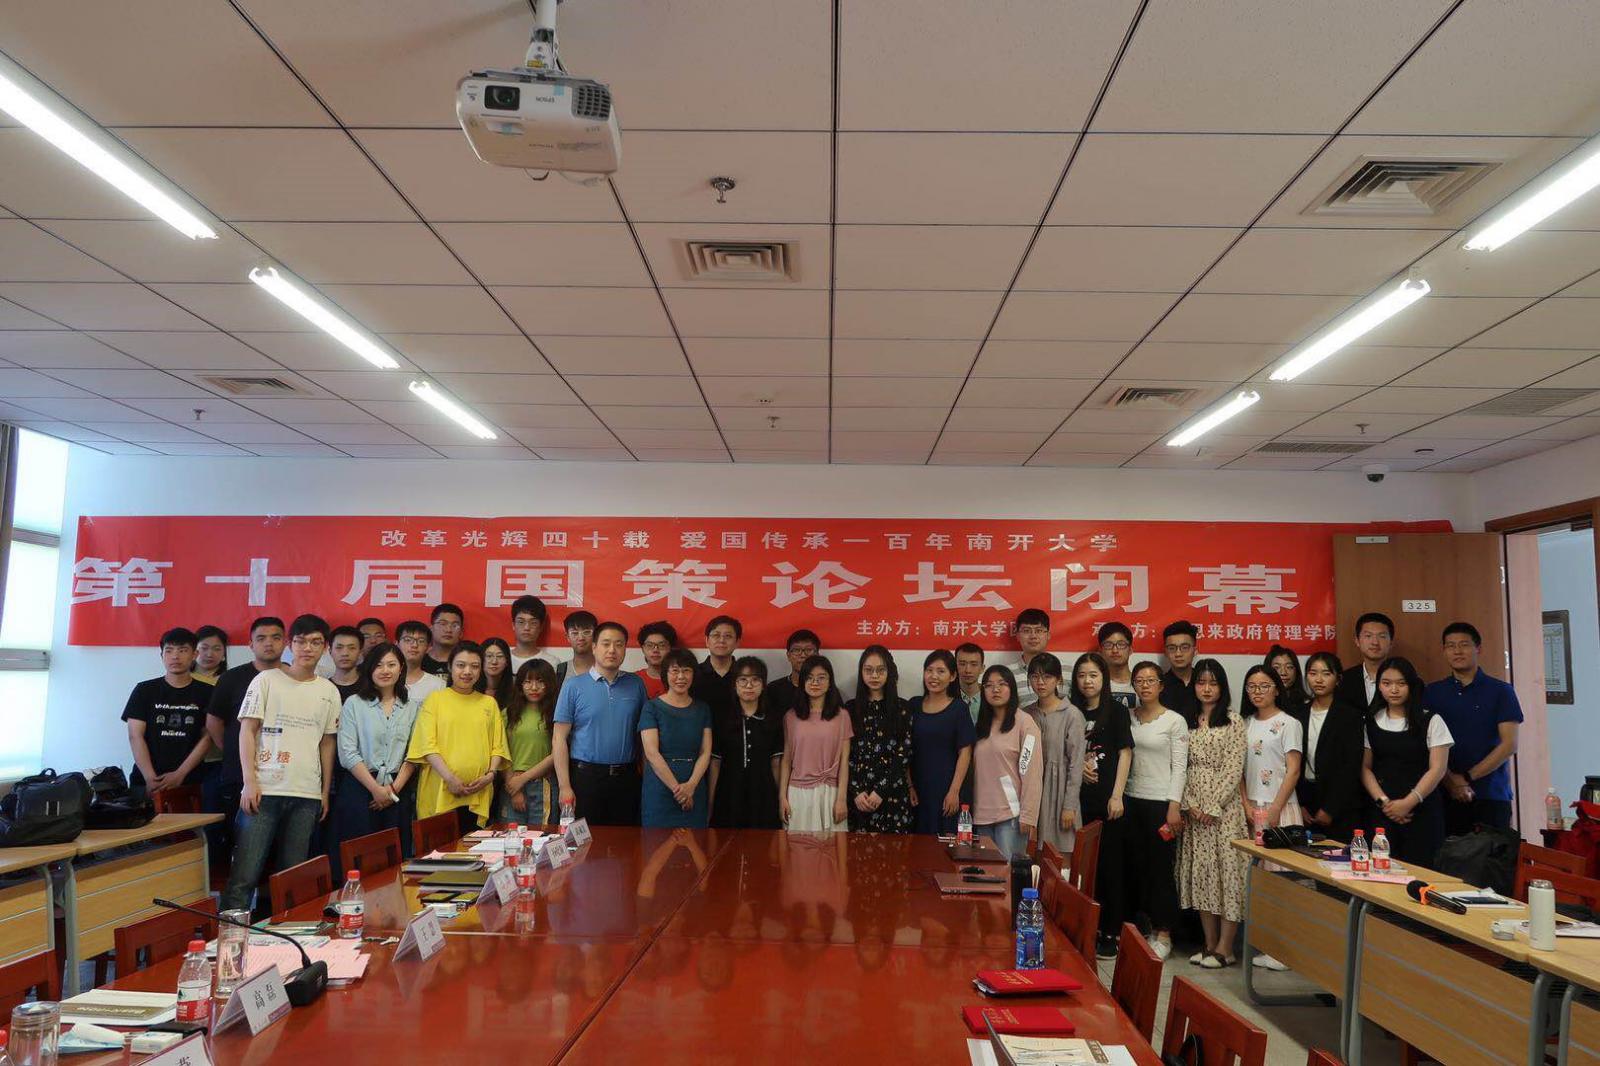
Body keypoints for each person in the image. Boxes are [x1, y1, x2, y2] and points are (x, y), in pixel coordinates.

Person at [220, 614, 341, 912]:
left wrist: (324, 791)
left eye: (315, 642)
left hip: (306, 795)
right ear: (290, 644)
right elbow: (247, 731)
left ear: (325, 647)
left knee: (292, 878)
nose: (307, 648)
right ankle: (229, 938)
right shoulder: (266, 680)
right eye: (301, 641)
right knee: (244, 875)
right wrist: (249, 782)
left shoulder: (328, 690)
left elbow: (327, 742)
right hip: (264, 790)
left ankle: (286, 936)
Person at [1113, 661, 1188, 961]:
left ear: (1161, 685)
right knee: (1135, 868)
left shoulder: (1174, 721)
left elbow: (1180, 767)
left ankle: (1164, 933)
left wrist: (1174, 805)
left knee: (1160, 870)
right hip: (1131, 800)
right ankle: (1143, 928)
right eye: (1139, 681)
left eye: (1150, 680)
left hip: (1161, 803)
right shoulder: (1127, 717)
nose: (1145, 685)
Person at [1176, 658, 1247, 969]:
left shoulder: (1233, 721)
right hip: (1193, 812)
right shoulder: (1187, 721)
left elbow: (1234, 768)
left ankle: (1226, 948)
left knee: (1227, 876)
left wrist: (1211, 805)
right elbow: (1180, 765)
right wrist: (1189, 803)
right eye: (1201, 682)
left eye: (1213, 683)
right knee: (1203, 876)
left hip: (1223, 813)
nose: (1206, 688)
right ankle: (1209, 944)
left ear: (1222, 687)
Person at [1426, 621, 1523, 834]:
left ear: (1478, 648)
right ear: (1444, 651)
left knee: (1492, 854)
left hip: (1490, 794)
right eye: (1450, 646)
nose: (1457, 651)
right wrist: (1451, 781)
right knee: (1445, 854)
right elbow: (1424, 743)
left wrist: (1467, 778)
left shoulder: (1501, 691)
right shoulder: (1432, 693)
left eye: (1464, 645)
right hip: (1442, 792)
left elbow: (1509, 744)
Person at [205, 616, 286, 864]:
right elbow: (214, 722)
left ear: (285, 642)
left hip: (283, 775)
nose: (268, 643)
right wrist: (235, 750)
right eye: (261, 638)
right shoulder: (232, 678)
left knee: (280, 847)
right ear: (250, 644)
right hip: (239, 775)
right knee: (243, 847)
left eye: (275, 638)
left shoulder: (294, 677)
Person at [552, 621, 648, 826]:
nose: (612, 650)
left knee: (626, 841)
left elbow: (644, 737)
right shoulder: (573, 686)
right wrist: (564, 786)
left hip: (626, 778)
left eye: (619, 644)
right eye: (606, 644)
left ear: (625, 649)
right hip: (585, 778)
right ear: (594, 647)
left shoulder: (636, 684)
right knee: (584, 842)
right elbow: (559, 738)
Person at [407, 641, 508, 833]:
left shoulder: (489, 703)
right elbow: (427, 746)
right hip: (440, 790)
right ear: (449, 667)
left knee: (474, 849)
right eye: (461, 665)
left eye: (474, 666)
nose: (467, 671)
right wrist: (450, 778)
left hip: (478, 794)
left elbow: (498, 746)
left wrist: (490, 775)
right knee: (439, 849)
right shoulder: (435, 700)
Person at [332, 643, 419, 861]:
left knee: (395, 859)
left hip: (397, 790)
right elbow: (347, 753)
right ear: (369, 669)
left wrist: (392, 790)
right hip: (360, 788)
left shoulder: (412, 707)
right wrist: (375, 789)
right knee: (360, 859)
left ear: (401, 668)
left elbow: (414, 753)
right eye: (378, 665)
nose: (385, 670)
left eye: (391, 665)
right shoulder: (354, 703)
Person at [1362, 656, 1453, 867]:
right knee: (1381, 873)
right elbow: (1365, 768)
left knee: (1423, 872)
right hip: (1382, 812)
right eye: (1387, 683)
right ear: (1379, 687)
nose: (1394, 690)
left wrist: (1408, 803)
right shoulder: (1370, 721)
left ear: (1411, 685)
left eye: (1401, 683)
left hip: (1422, 811)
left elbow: (1438, 769)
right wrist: (1385, 804)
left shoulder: (1431, 720)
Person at [1071, 651, 1133, 958]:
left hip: (1109, 802)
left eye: (1093, 675)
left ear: (1103, 678)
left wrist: (1117, 795)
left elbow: (1125, 753)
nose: (1087, 681)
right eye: (1082, 675)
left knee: (1110, 868)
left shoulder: (1117, 711)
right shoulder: (1071, 711)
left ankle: (1110, 932)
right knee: (1083, 869)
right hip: (1077, 802)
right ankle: (1086, 928)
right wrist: (1078, 767)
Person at [122, 626, 212, 792]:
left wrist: (180, 774)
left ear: (195, 654)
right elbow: (135, 736)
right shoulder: (144, 690)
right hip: (145, 780)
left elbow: (208, 736)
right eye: (169, 651)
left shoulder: (208, 692)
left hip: (190, 779)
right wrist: (150, 778)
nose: (175, 656)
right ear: (161, 655)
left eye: (182, 650)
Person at [971, 665, 1043, 859]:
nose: (995, 689)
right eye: (989, 685)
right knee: (986, 872)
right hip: (981, 814)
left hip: (1011, 816)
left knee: (1007, 873)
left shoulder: (1025, 723)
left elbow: (1032, 773)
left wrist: (1028, 816)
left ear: (1012, 687)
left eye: (1002, 684)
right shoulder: (981, 725)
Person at [639, 648, 713, 828]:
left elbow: (705, 752)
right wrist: (678, 790)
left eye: (686, 670)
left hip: (694, 785)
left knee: (695, 841)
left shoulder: (702, 709)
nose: (681, 676)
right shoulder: (651, 707)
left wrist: (691, 786)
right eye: (675, 671)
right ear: (666, 674)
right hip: (660, 787)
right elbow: (651, 753)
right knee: (656, 841)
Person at [778, 654, 853, 832]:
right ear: (802, 682)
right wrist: (782, 798)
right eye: (810, 678)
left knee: (832, 847)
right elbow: (786, 760)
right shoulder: (791, 716)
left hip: (831, 793)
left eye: (821, 678)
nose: (815, 683)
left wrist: (841, 799)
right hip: (798, 793)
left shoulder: (842, 716)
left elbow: (844, 761)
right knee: (798, 846)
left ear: (830, 682)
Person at [1297, 652, 1365, 844]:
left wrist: (1330, 808)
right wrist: (1299, 804)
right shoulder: (1298, 714)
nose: (1319, 679)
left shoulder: (1350, 716)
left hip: (1340, 804)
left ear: (1338, 679)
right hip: (1305, 800)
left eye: (1326, 674)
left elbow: (1351, 765)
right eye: (1313, 673)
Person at [709, 656, 783, 829]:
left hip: (764, 793)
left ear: (763, 685)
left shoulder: (772, 718)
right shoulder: (722, 718)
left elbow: (776, 763)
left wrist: (780, 798)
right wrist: (710, 802)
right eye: (743, 680)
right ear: (734, 685)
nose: (749, 686)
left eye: (755, 680)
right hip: (729, 792)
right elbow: (715, 764)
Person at [846, 645, 914, 834]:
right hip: (858, 799)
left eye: (880, 670)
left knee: (895, 851)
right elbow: (844, 755)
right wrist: (856, 791)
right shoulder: (850, 709)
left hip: (892, 796)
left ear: (889, 672)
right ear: (861, 673)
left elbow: (904, 754)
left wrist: (880, 791)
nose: (874, 675)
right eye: (868, 670)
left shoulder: (903, 708)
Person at [909, 649, 976, 836]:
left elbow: (965, 753)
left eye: (941, 671)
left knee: (948, 845)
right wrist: (909, 785)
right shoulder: (913, 705)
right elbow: (904, 749)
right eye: (929, 670)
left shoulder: (959, 709)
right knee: (920, 846)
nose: (934, 676)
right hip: (919, 790)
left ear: (952, 676)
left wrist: (954, 791)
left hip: (948, 789)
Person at [1024, 653, 1083, 855]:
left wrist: (1070, 806)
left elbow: (1076, 764)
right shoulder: (1026, 714)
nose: (1040, 682)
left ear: (1059, 679)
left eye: (1047, 677)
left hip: (1059, 793)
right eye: (1035, 676)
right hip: (1032, 793)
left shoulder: (1072, 714)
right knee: (1032, 856)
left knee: (1060, 857)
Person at [501, 659, 559, 826]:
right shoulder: (508, 713)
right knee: (511, 836)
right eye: (528, 682)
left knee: (542, 835)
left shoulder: (556, 714)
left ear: (549, 684)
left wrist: (524, 778)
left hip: (542, 784)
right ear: (520, 684)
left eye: (540, 681)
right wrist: (514, 788)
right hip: (511, 784)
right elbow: (501, 752)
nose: (534, 687)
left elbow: (557, 754)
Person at [1337, 612, 1394, 710]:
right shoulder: (1343, 680)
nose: (1375, 642)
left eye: (1382, 636)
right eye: (1368, 636)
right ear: (1357, 641)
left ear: (1391, 643)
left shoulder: (1405, 679)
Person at [691, 615, 742, 722]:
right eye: (716, 635)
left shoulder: (745, 675)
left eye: (728, 636)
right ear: (707, 640)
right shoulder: (693, 673)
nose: (721, 640)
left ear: (737, 642)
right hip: (701, 731)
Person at [765, 629, 820, 717]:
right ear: (788, 655)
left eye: (809, 650)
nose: (803, 655)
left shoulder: (826, 690)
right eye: (797, 650)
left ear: (817, 655)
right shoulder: (773, 690)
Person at [1010, 609, 1053, 709]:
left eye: (1039, 631)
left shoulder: (1067, 670)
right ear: (1017, 636)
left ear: (1048, 635)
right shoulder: (1007, 674)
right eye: (1026, 631)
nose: (1033, 636)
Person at [1159, 621, 1201, 722]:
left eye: (1184, 648)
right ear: (1165, 652)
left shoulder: (1205, 683)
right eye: (1172, 648)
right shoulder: (1159, 686)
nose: (1178, 654)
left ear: (1195, 650)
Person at [395, 619, 445, 704]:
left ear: (428, 648)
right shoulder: (385, 681)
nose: (414, 645)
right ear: (397, 644)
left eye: (421, 641)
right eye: (408, 640)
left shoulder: (438, 685)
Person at [509, 595, 560, 672]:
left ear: (541, 627)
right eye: (521, 622)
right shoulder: (502, 661)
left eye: (533, 623)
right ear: (513, 625)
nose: (526, 628)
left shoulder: (552, 663)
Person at [1098, 621, 1137, 709]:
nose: (1115, 650)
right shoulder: (1094, 684)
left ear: (1130, 650)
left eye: (1121, 644)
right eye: (1108, 645)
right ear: (1100, 651)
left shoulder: (1142, 683)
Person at [421, 603, 465, 680]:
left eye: (454, 625)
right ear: (431, 629)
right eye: (443, 624)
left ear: (461, 633)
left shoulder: (467, 662)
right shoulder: (419, 661)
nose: (448, 630)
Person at [635, 621, 678, 700]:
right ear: (643, 648)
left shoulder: (680, 680)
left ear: (671, 648)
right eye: (649, 645)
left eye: (662, 645)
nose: (655, 650)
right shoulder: (634, 679)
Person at [554, 610, 598, 684]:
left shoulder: (606, 669)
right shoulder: (559, 671)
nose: (581, 638)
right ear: (568, 637)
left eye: (586, 632)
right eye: (575, 633)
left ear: (596, 635)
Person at [1265, 644, 1309, 718]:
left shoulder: (1307, 704)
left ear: (1296, 671)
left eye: (1289, 667)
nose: (1283, 673)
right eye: (1276, 667)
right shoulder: (1261, 703)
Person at [327, 625, 364, 702]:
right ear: (330, 651)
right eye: (339, 648)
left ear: (360, 652)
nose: (345, 653)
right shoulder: (324, 687)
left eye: (352, 648)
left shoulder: (370, 687)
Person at [480, 636, 515, 709]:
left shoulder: (515, 688)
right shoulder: (470, 687)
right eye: (489, 656)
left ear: (507, 661)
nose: (494, 662)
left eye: (499, 656)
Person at [955, 643, 985, 723]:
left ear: (982, 668)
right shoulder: (946, 696)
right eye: (962, 664)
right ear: (955, 667)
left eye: (974, 664)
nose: (968, 670)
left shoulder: (990, 696)